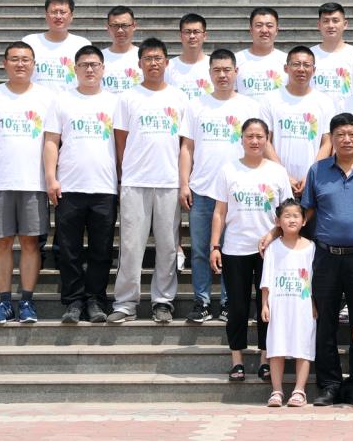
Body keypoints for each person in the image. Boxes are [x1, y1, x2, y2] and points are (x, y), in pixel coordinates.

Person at [282, 112, 353, 407]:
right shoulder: (318, 171)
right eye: (340, 134)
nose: (346, 139)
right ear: (332, 139)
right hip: (326, 256)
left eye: (352, 134)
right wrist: (278, 234)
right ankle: (329, 384)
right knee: (325, 321)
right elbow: (307, 212)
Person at [107, 38, 189, 324]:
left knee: (167, 246)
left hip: (168, 181)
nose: (154, 63)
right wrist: (125, 174)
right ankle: (125, 303)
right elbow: (120, 141)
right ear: (139, 63)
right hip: (135, 181)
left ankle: (163, 301)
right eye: (148, 59)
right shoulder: (127, 97)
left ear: (167, 62)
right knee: (131, 246)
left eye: (158, 58)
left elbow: (185, 143)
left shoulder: (179, 98)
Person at [0, 41, 55, 324]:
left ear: (34, 64)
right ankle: (5, 302)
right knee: (2, 242)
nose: (20, 64)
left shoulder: (47, 97)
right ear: (5, 63)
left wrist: (52, 177)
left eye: (26, 59)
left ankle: (28, 302)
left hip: (34, 183)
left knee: (31, 243)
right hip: (1, 182)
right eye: (15, 59)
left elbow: (53, 140)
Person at [179, 49, 262, 323]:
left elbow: (261, 145)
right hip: (203, 189)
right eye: (217, 70)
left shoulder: (250, 106)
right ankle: (201, 302)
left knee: (232, 250)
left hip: (238, 191)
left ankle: (229, 302)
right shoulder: (196, 105)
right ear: (210, 73)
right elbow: (187, 147)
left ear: (236, 72)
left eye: (227, 70)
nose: (223, 75)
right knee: (200, 250)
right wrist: (184, 183)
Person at [210, 119, 293, 383]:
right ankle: (237, 360)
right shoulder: (228, 170)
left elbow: (287, 213)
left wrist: (272, 234)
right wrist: (215, 245)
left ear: (267, 139)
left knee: (267, 306)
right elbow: (219, 212)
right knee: (237, 307)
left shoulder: (277, 172)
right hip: (235, 249)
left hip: (270, 251)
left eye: (259, 136)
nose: (255, 141)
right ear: (242, 139)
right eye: (250, 136)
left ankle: (265, 359)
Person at [43, 45, 119, 324]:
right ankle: (73, 301)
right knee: (69, 249)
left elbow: (121, 144)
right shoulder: (62, 100)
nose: (89, 69)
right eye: (84, 64)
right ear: (75, 69)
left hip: (105, 187)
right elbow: (51, 141)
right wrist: (51, 177)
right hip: (69, 186)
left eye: (94, 64)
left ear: (103, 69)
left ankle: (96, 300)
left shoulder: (115, 102)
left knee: (101, 249)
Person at [261, 199, 316, 408]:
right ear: (278, 221)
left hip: (302, 305)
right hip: (279, 304)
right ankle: (276, 391)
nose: (292, 220)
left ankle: (299, 390)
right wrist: (265, 304)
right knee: (277, 346)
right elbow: (266, 279)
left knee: (303, 346)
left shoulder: (310, 248)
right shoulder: (273, 248)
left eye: (296, 216)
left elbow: (313, 280)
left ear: (304, 221)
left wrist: (314, 303)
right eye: (287, 216)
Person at [260, 46, 336, 197]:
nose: (301, 69)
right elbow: (265, 140)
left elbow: (327, 142)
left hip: (313, 182)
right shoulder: (270, 99)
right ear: (286, 68)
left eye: (306, 65)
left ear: (314, 70)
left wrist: (311, 175)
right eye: (296, 64)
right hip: (276, 182)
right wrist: (283, 175)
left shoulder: (324, 102)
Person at [22, 0, 91, 92]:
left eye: (63, 12)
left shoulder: (82, 44)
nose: (58, 17)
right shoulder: (30, 42)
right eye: (54, 12)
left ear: (71, 16)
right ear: (46, 15)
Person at [310, 2, 353, 104]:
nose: (331, 25)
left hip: (348, 113)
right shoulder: (309, 55)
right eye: (326, 21)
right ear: (319, 25)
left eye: (335, 21)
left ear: (345, 24)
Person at [236, 7, 285, 99]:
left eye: (269, 26)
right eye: (259, 25)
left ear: (276, 30)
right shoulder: (236, 60)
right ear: (251, 30)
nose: (264, 30)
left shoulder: (287, 61)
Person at [165, 13, 213, 101]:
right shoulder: (168, 67)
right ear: (180, 36)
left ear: (204, 36)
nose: (192, 36)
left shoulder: (214, 66)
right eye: (187, 32)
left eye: (196, 32)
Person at [101, 5, 142, 95]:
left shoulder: (143, 57)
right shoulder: (99, 58)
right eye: (115, 26)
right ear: (108, 28)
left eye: (125, 25)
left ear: (134, 26)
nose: (120, 30)